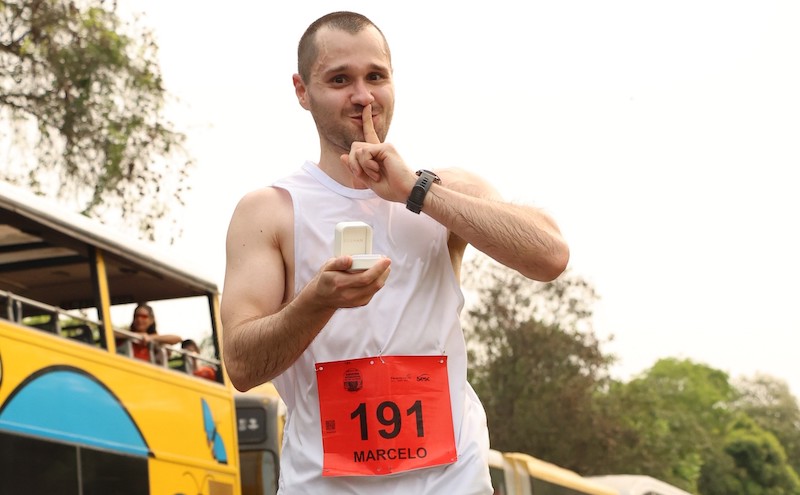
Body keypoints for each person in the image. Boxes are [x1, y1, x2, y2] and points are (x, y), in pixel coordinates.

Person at [220, 11, 569, 494]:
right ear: (302, 91)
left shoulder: (445, 190)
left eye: (375, 76)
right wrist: (317, 301)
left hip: (453, 482)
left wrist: (417, 191)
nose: (362, 95)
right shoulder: (270, 210)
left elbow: (550, 255)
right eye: (339, 79)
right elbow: (240, 366)